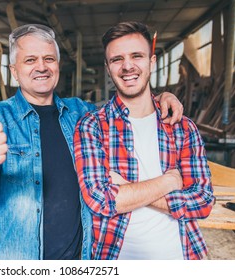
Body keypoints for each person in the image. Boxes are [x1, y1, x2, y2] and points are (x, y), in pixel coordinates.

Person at [0, 24, 184, 260]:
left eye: (48, 58)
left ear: (57, 65)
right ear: (14, 71)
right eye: (30, 60)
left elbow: (126, 110)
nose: (41, 67)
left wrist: (160, 98)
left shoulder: (81, 113)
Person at [73, 21, 214, 260]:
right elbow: (101, 201)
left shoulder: (182, 127)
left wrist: (127, 189)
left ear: (152, 61)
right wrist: (168, 182)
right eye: (117, 59)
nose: (127, 66)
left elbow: (202, 202)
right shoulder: (92, 126)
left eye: (136, 56)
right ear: (108, 68)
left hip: (182, 257)